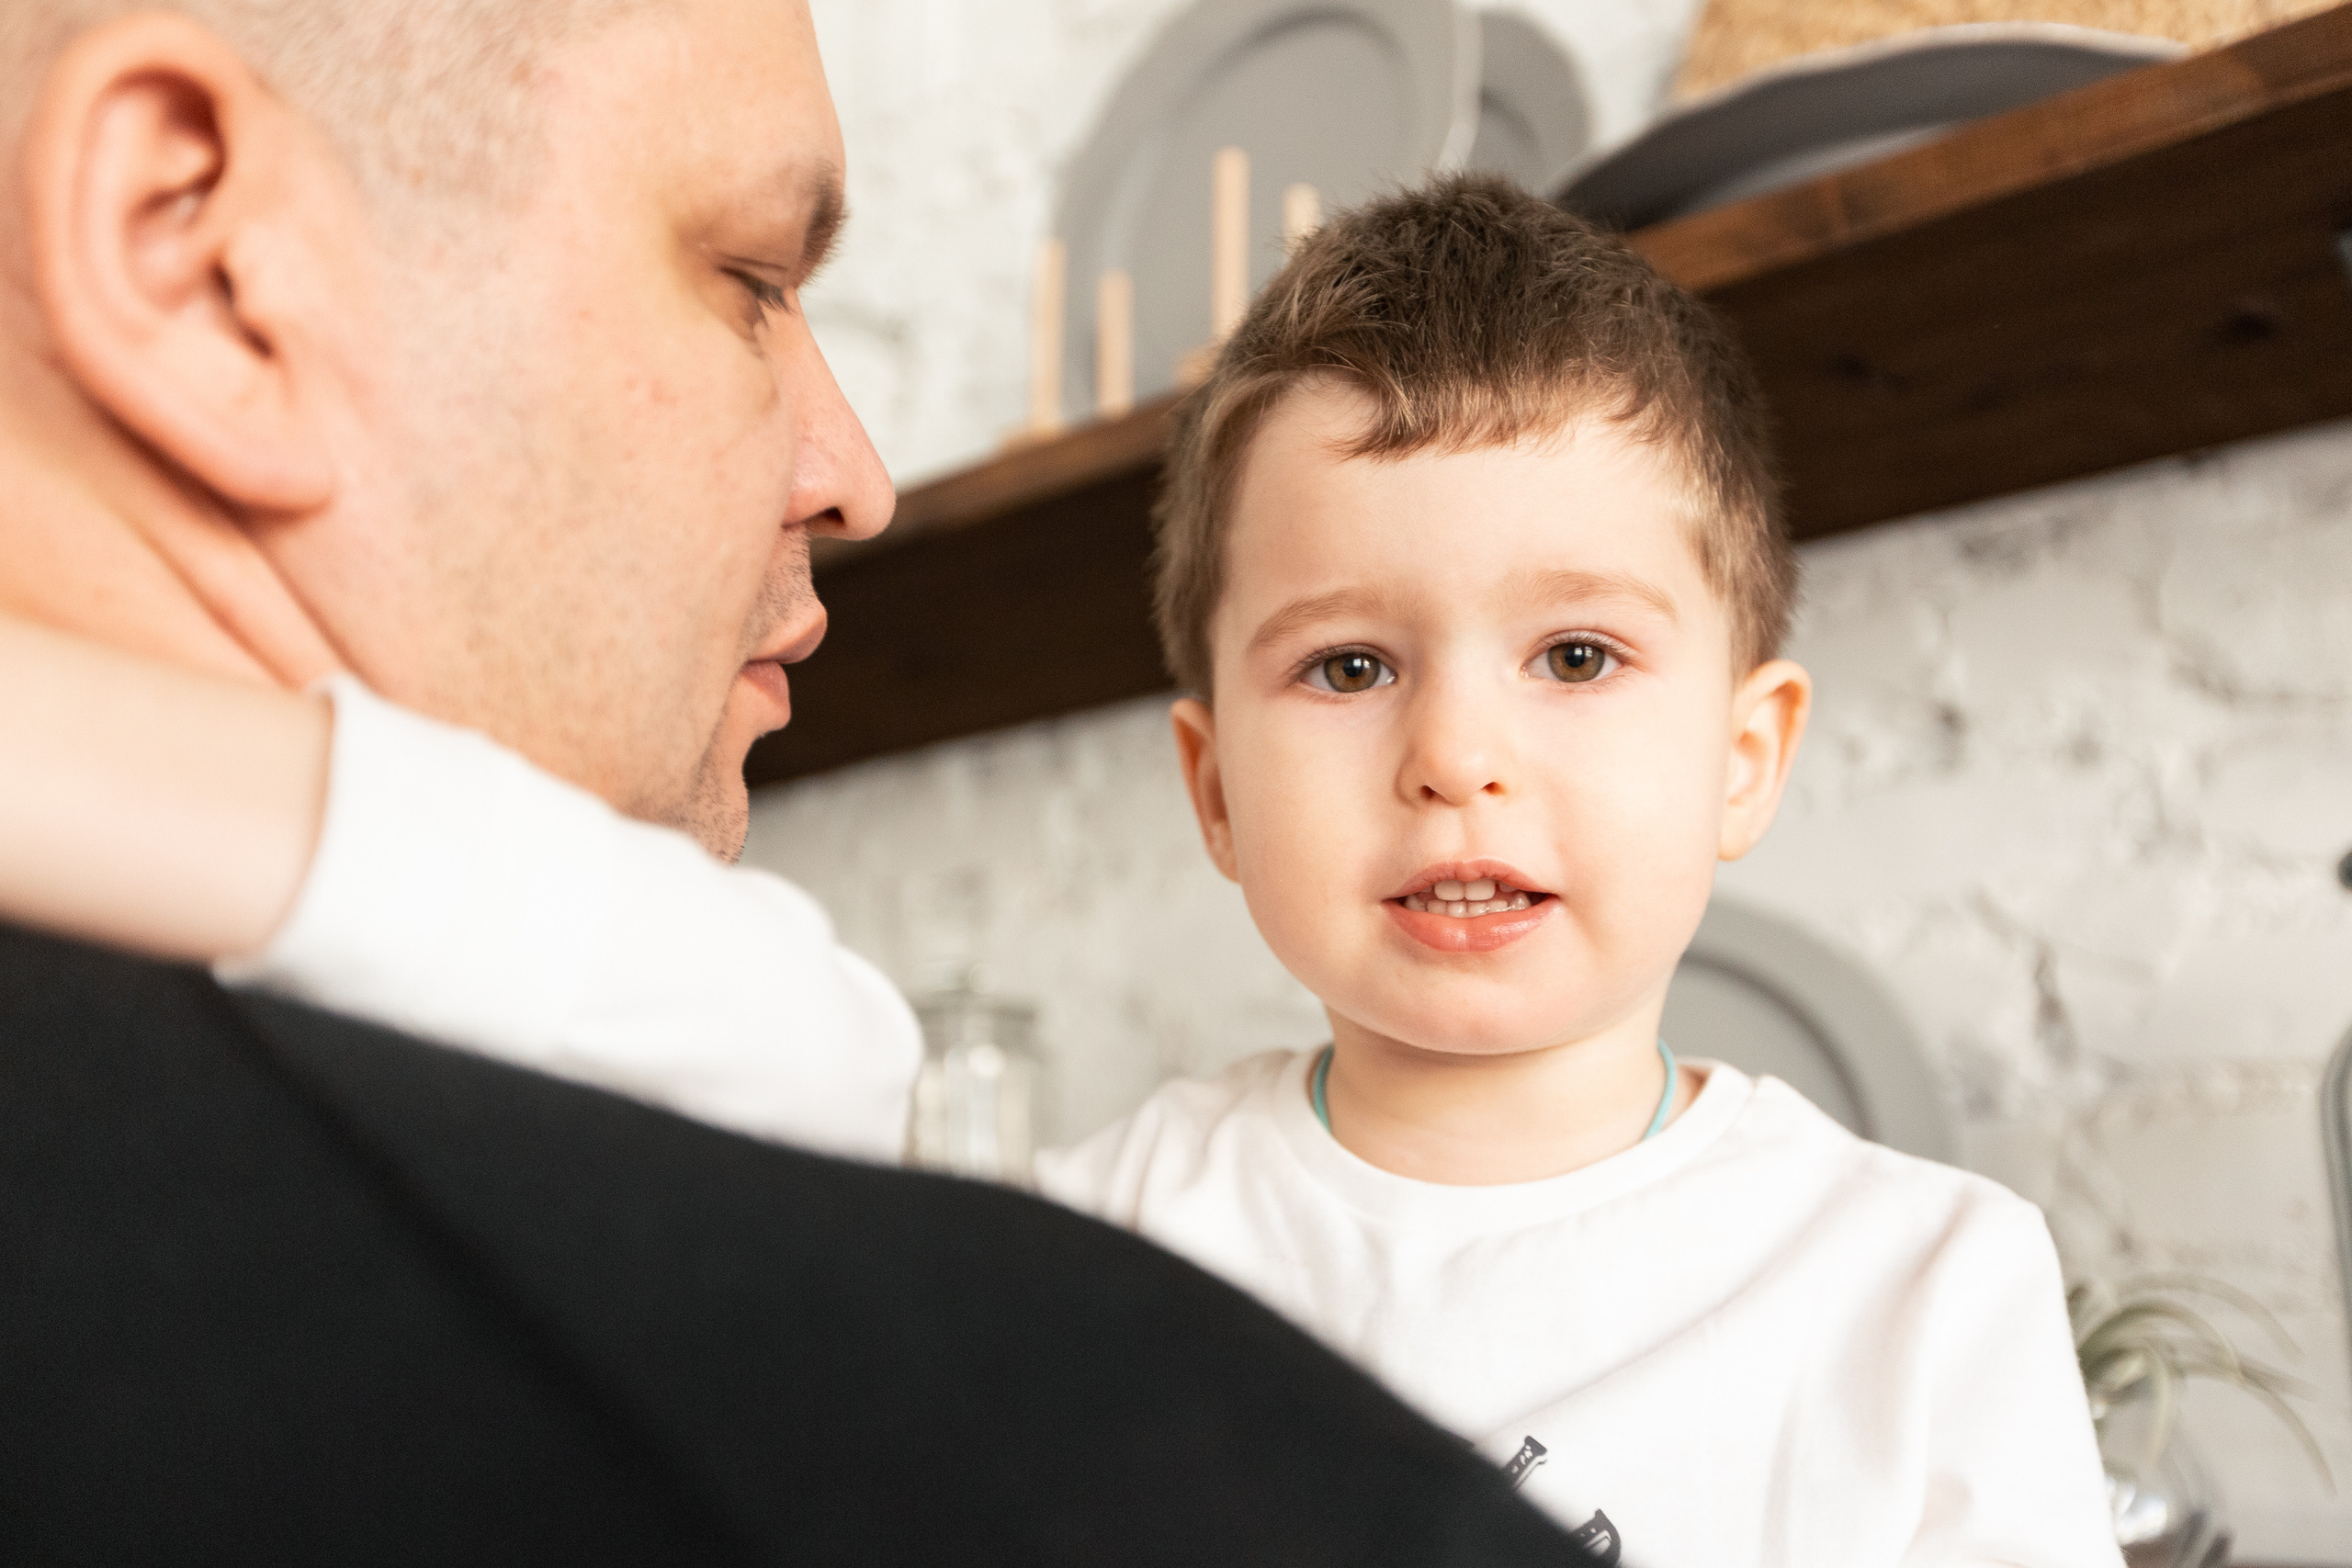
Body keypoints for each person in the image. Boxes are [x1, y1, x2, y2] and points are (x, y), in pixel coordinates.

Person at [0, 2, 1592, 1560]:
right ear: (198, 258)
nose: (859, 481)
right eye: (752, 280)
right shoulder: (1088, 1464)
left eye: (1577, 655)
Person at [1029, 177, 2125, 1568]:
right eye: (1350, 665)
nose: (1455, 758)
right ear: (1216, 791)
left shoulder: (1925, 1291)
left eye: (1576, 656)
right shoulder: (1071, 1254)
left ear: (1742, 759)